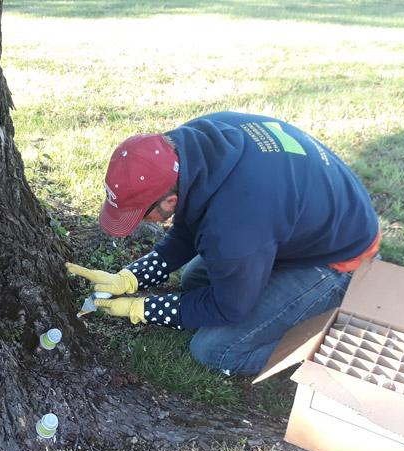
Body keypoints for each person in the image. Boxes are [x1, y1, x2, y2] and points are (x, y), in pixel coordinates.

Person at [66, 111, 380, 375]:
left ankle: (333, 344)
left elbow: (228, 307)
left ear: (170, 200)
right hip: (299, 224)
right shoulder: (191, 148)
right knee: (194, 280)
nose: (140, 224)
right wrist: (133, 277)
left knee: (213, 349)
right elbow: (189, 227)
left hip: (339, 259)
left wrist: (143, 308)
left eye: (142, 215)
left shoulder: (235, 223)